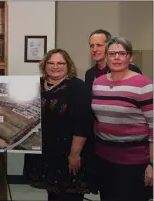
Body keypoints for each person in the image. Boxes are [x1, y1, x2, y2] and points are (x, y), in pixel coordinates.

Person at [23, 49, 97, 201]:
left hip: (69, 152)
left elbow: (83, 123)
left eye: (60, 63)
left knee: (69, 196)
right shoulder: (37, 85)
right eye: (51, 63)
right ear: (44, 65)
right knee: (53, 194)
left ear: (68, 65)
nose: (55, 66)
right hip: (46, 153)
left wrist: (74, 154)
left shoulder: (77, 87)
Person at [91, 36, 153, 201]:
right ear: (106, 57)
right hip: (104, 159)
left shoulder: (144, 85)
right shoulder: (98, 83)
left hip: (134, 162)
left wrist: (152, 165)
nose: (116, 58)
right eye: (112, 54)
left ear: (130, 57)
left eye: (121, 53)